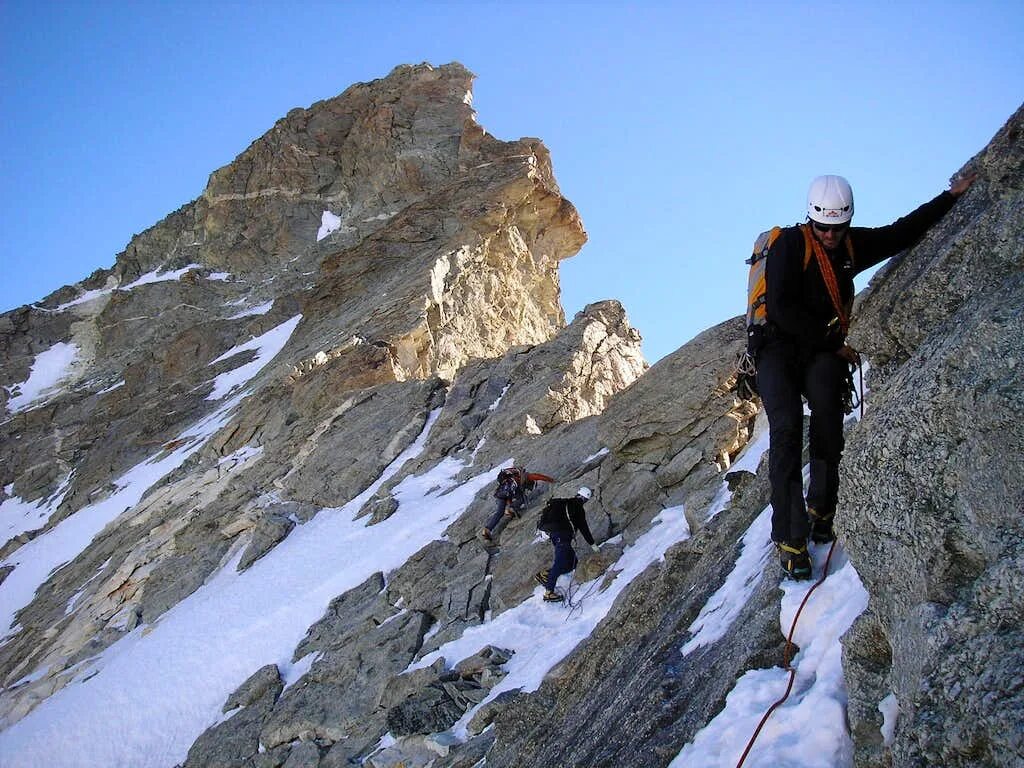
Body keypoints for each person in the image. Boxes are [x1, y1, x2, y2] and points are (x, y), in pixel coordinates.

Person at [756, 172, 976, 579]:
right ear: (811, 219)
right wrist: (830, 342)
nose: (829, 236)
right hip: (776, 350)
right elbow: (782, 309)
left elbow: (900, 233)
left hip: (818, 350)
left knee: (827, 416)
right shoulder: (791, 243)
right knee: (785, 430)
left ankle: (822, 508)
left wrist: (950, 198)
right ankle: (790, 538)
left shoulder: (851, 246)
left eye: (836, 229)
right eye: (822, 227)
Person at [534, 486, 600, 602]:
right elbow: (584, 528)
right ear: (585, 499)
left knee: (573, 563)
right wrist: (593, 545)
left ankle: (545, 574)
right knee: (560, 562)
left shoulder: (565, 503)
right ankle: (549, 592)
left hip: (556, 536)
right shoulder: (578, 508)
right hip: (562, 537)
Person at [479, 466, 555, 542]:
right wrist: (551, 480)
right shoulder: (525, 477)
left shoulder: (511, 478)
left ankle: (487, 529)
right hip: (506, 494)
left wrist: (511, 506)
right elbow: (537, 476)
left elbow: (508, 494)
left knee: (499, 512)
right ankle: (510, 510)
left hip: (500, 494)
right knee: (522, 498)